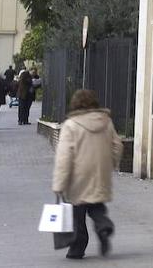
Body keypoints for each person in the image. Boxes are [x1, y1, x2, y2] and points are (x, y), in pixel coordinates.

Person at [52, 89, 122, 260]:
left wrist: (59, 184)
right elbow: (117, 145)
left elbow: (64, 157)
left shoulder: (71, 125)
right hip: (100, 172)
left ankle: (77, 248)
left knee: (78, 213)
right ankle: (103, 226)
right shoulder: (106, 121)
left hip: (78, 176)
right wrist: (111, 163)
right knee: (96, 206)